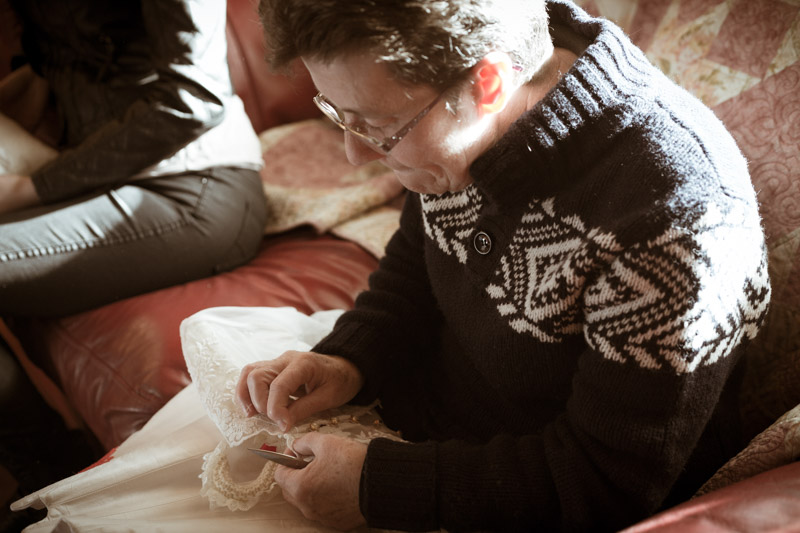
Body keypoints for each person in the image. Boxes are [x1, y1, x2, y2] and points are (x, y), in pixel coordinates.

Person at [233, 0, 772, 531]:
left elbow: (609, 483)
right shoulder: (451, 121)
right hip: (419, 433)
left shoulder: (678, 221)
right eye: (336, 113)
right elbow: (417, 269)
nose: (356, 155)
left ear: (488, 84)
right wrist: (351, 358)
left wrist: (385, 486)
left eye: (377, 126)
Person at [0, 0, 266, 524]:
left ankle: (51, 466)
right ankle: (46, 461)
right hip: (95, 177)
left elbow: (195, 96)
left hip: (193, 184)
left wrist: (30, 188)